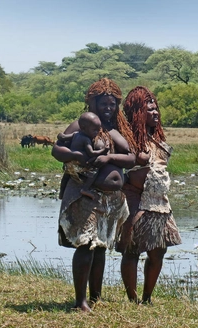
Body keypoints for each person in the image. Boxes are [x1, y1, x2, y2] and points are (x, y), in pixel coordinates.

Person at [51, 78, 136, 312]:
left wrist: (109, 158)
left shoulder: (113, 131)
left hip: (109, 200)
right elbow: (57, 150)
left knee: (100, 246)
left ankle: (95, 297)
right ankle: (81, 302)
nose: (108, 108)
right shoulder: (81, 126)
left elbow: (131, 158)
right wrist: (75, 156)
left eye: (112, 104)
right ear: (92, 103)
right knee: (86, 244)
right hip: (84, 193)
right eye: (103, 104)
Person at [115, 86, 182, 304]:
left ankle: (147, 298)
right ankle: (132, 299)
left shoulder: (157, 137)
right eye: (149, 110)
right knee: (132, 249)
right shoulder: (127, 138)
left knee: (158, 251)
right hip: (136, 198)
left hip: (159, 201)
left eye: (156, 109)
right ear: (137, 113)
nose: (155, 113)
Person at [57, 112, 110, 200]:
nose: (97, 133)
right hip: (79, 165)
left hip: (69, 163)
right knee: (94, 171)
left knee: (66, 175)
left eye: (98, 129)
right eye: (94, 130)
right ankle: (85, 189)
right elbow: (91, 153)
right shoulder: (86, 139)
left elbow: (63, 137)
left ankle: (62, 192)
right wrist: (103, 150)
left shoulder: (75, 134)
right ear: (84, 128)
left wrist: (60, 136)